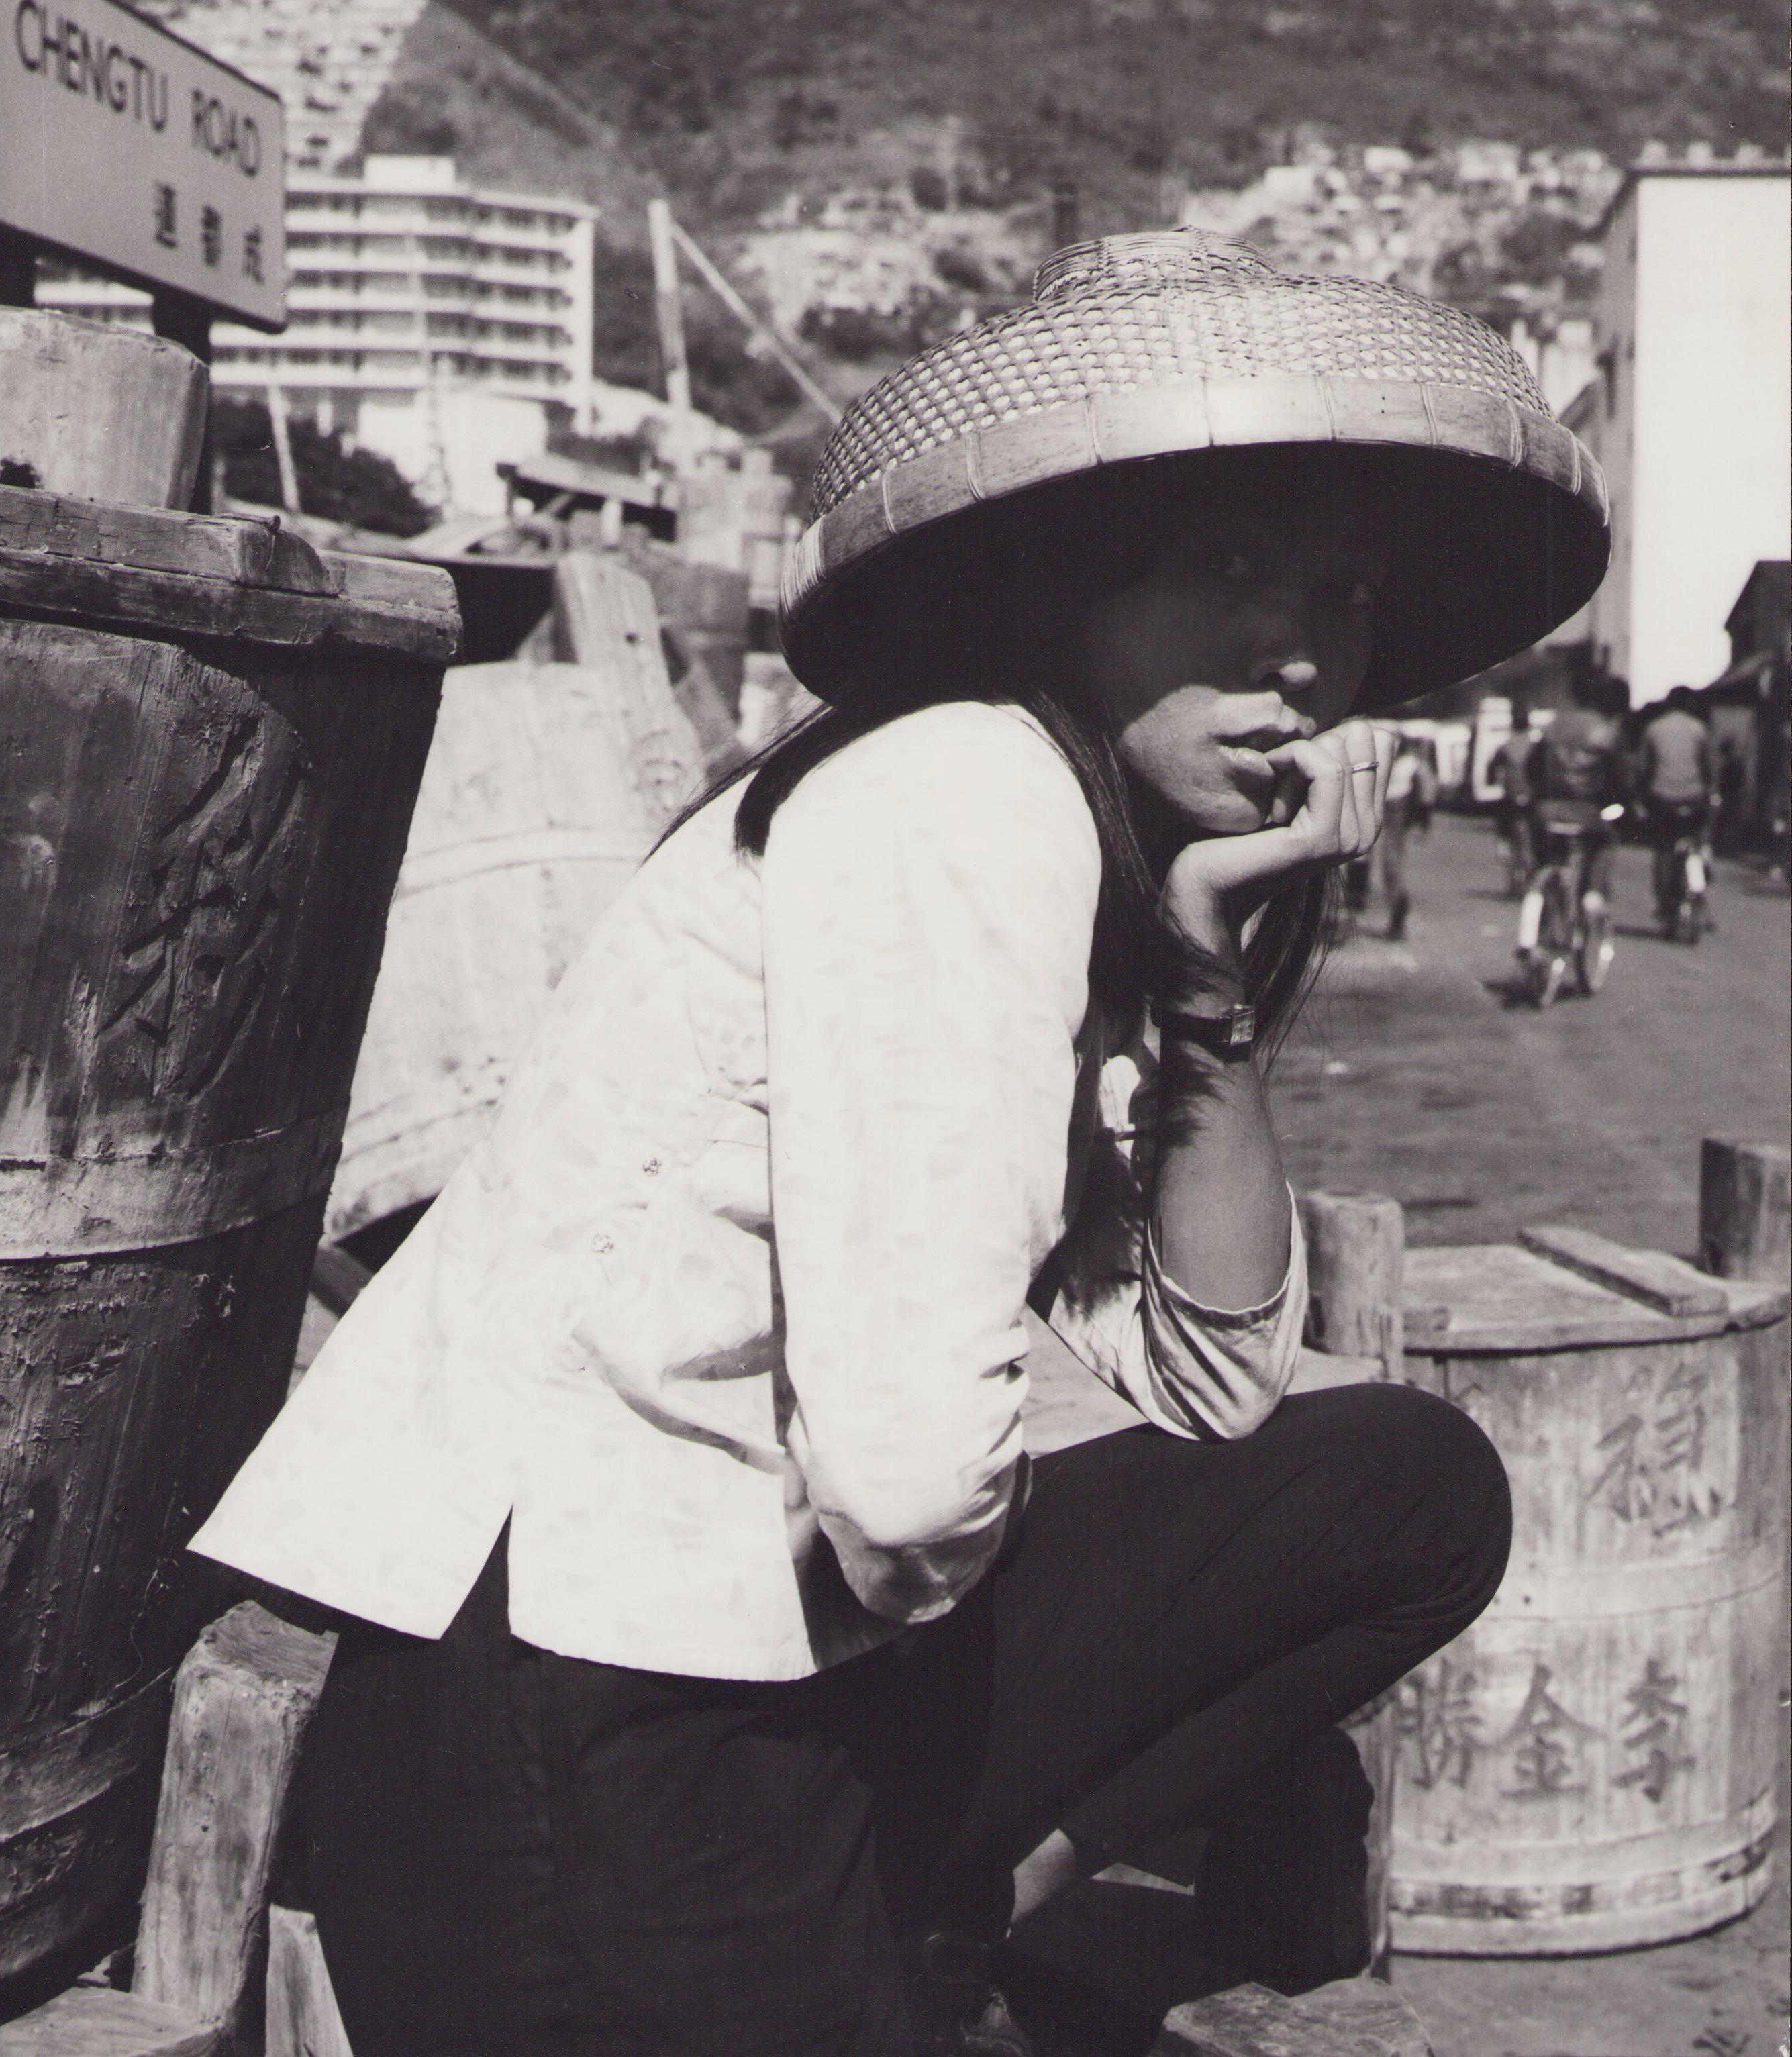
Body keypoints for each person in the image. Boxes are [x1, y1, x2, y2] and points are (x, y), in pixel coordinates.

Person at [191, 230, 1609, 2057]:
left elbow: (1215, 1378)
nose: (1302, 658)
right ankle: (883, 1890)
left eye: (1341, 594)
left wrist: (1202, 1001)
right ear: (1062, 579)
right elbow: (912, 1486)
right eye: (1234, 567)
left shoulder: (1075, 859)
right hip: (587, 1719)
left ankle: (948, 1886)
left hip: (743, 1673)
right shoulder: (960, 792)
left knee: (1406, 1482)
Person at [1516, 668, 1628, 974]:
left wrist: (1540, 797)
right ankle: (1592, 892)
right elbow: (1619, 777)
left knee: (1546, 862)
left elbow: (1531, 767)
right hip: (1586, 812)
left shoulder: (1553, 726)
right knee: (1605, 841)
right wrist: (1620, 804)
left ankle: (1545, 897)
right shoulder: (1606, 731)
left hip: (1546, 811)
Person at [1342, 729, 1436, 938]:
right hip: (1385, 806)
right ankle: (1362, 897)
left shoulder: (1410, 764)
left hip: (1396, 809)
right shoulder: (1400, 762)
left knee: (1390, 864)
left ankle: (1396, 914)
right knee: (1366, 853)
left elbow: (1427, 791)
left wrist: (1423, 820)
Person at [1640, 686, 1715, 930]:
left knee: (1663, 851)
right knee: (1699, 841)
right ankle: (1701, 894)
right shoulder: (1699, 729)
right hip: (1693, 800)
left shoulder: (1654, 728)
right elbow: (1709, 768)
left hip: (1662, 800)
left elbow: (1645, 769)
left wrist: (1642, 797)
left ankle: (1664, 904)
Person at [1486, 697, 1540, 895]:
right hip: (1530, 799)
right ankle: (1528, 881)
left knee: (1507, 841)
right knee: (1529, 843)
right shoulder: (1535, 745)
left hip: (1508, 799)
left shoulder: (1505, 746)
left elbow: (1491, 771)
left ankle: (1513, 883)